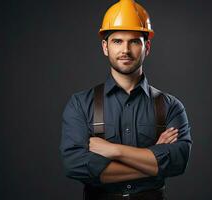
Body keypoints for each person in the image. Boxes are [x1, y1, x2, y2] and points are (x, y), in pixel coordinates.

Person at [59, 0, 192, 199]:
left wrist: (114, 151)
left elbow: (178, 161)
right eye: (117, 41)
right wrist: (154, 159)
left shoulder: (171, 106)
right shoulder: (80, 104)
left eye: (134, 42)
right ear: (105, 47)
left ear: (147, 46)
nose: (126, 50)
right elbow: (75, 165)